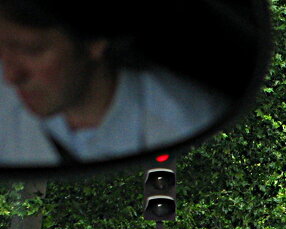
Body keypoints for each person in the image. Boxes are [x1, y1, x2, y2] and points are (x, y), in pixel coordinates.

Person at [0, 2, 227, 167]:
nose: (11, 75)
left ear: (94, 41)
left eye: (32, 51)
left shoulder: (185, 122)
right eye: (2, 51)